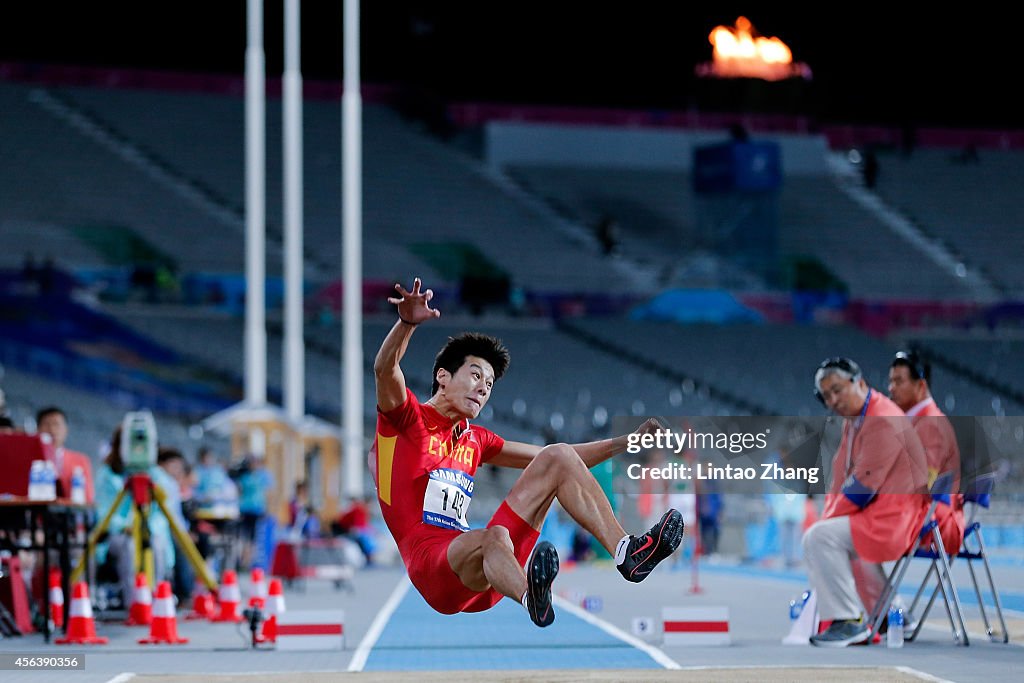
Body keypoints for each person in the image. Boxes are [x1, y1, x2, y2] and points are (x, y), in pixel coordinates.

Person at [370, 277, 683, 628]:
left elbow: (567, 463)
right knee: (494, 536)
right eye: (475, 376)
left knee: (557, 456)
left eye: (488, 385)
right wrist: (406, 324)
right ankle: (530, 597)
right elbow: (385, 370)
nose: (482, 389)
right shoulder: (406, 420)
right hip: (433, 568)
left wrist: (626, 443)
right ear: (443, 376)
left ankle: (628, 552)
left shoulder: (475, 439)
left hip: (489, 572)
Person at [803, 357, 929, 647]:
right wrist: (832, 512)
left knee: (819, 538)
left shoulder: (882, 418)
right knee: (840, 535)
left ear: (859, 382)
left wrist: (827, 519)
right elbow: (840, 473)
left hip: (896, 518)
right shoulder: (860, 419)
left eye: (838, 390)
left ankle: (847, 620)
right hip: (887, 513)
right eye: (827, 396)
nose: (833, 400)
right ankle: (891, 616)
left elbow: (862, 488)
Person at [888, 350, 964, 557]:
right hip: (929, 518)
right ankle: (870, 590)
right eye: (891, 381)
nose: (890, 388)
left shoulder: (930, 424)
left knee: (848, 531)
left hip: (935, 524)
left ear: (920, 385)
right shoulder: (919, 422)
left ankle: (857, 590)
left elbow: (921, 485)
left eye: (898, 381)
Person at [94, 424, 175, 608]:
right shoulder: (106, 475)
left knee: (157, 542)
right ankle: (136, 603)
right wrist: (125, 525)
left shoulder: (156, 476)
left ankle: (158, 599)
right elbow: (104, 514)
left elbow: (163, 514)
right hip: (117, 535)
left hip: (149, 531)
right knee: (130, 545)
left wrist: (147, 528)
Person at [35, 406, 95, 504]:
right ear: (38, 429)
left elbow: (88, 497)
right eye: (47, 424)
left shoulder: (81, 461)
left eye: (56, 424)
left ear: (66, 430)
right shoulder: (32, 461)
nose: (52, 430)